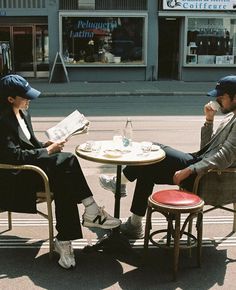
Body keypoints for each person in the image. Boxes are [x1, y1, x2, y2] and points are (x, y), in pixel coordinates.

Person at [0, 74, 121, 269]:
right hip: (16, 177)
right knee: (68, 161)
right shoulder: (2, 121)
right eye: (25, 97)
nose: (29, 100)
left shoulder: (23, 113)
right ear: (10, 99)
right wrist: (47, 150)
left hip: (32, 170)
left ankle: (65, 240)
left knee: (64, 176)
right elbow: (13, 157)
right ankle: (89, 213)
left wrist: (44, 144)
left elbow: (28, 144)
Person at [100, 75, 236, 239]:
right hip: (201, 165)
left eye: (222, 97)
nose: (218, 101)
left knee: (155, 149)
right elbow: (206, 148)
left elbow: (225, 156)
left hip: (208, 177)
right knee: (147, 165)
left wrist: (190, 169)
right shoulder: (230, 116)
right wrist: (209, 120)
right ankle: (135, 224)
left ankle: (120, 182)